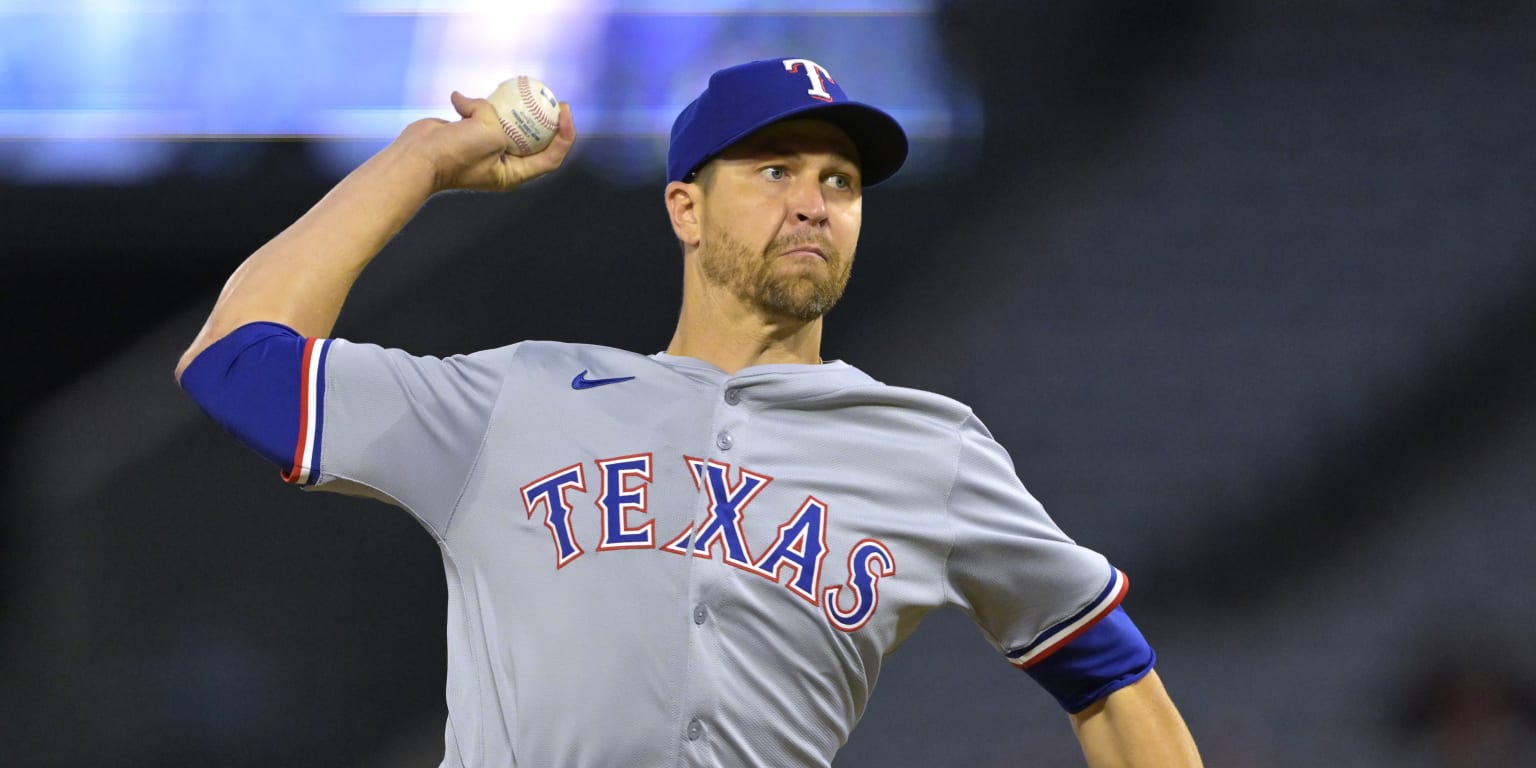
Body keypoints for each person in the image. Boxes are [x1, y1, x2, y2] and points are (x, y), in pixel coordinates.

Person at [175, 57, 1202, 767]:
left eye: (840, 180)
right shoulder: (516, 397)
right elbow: (234, 360)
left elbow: (1109, 676)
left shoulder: (928, 449)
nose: (814, 201)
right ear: (685, 207)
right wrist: (421, 162)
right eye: (774, 170)